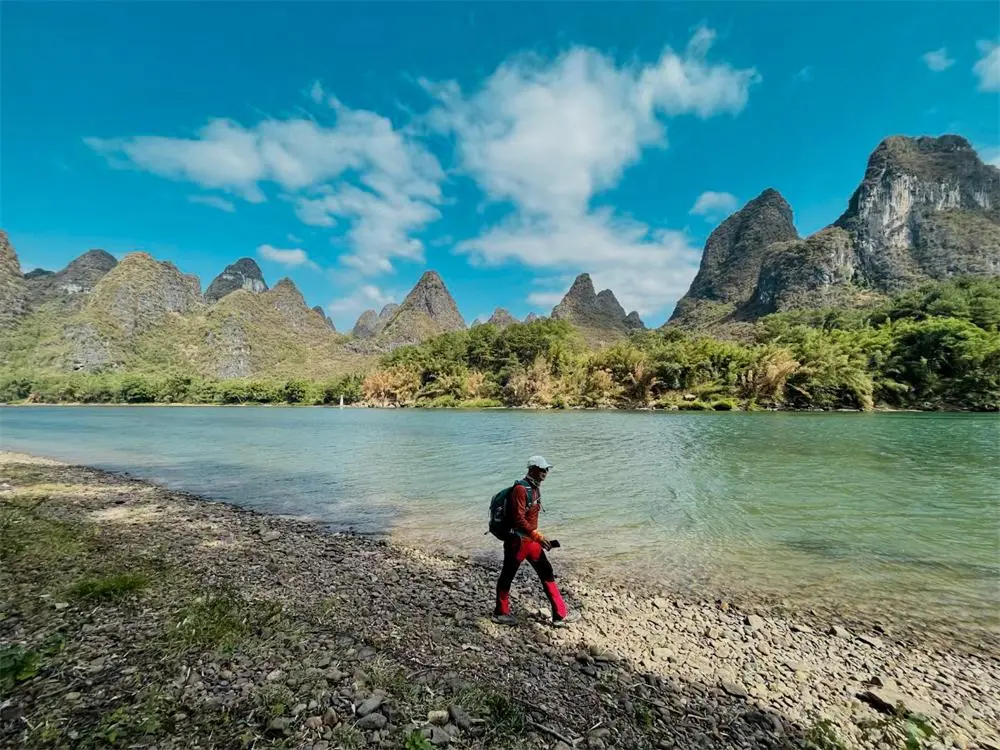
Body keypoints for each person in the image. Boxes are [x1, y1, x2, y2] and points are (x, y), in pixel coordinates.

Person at [492, 455, 580, 627]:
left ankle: (560, 615)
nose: (546, 472)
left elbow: (528, 519)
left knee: (547, 572)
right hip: (517, 542)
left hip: (531, 542)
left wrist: (538, 538)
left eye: (546, 469)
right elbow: (518, 519)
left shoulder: (535, 488)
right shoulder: (520, 489)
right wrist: (538, 536)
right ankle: (500, 613)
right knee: (507, 576)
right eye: (542, 469)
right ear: (532, 469)